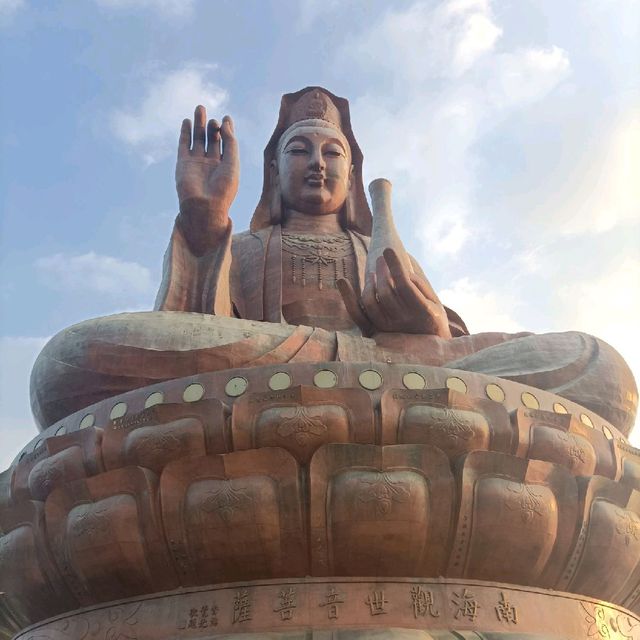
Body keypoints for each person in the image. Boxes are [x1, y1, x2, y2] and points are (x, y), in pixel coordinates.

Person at [30, 87, 637, 436]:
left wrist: (421, 321)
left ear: (353, 175)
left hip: (399, 367)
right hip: (275, 369)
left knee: (592, 364)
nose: (317, 163)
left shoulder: (377, 247)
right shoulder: (244, 247)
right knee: (68, 361)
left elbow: (450, 342)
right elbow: (193, 332)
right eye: (300, 150)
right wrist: (205, 220)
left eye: (332, 152)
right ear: (274, 171)